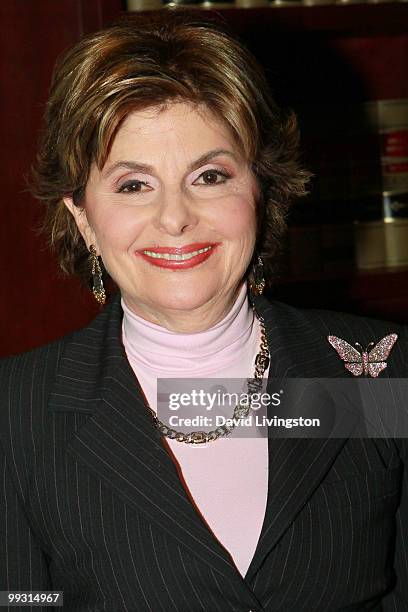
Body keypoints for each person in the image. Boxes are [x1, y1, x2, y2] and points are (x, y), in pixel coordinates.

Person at [0, 10, 407, 612]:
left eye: (210, 175)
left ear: (260, 191)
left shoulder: (376, 376)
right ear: (83, 217)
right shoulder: (16, 413)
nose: (175, 218)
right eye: (133, 185)